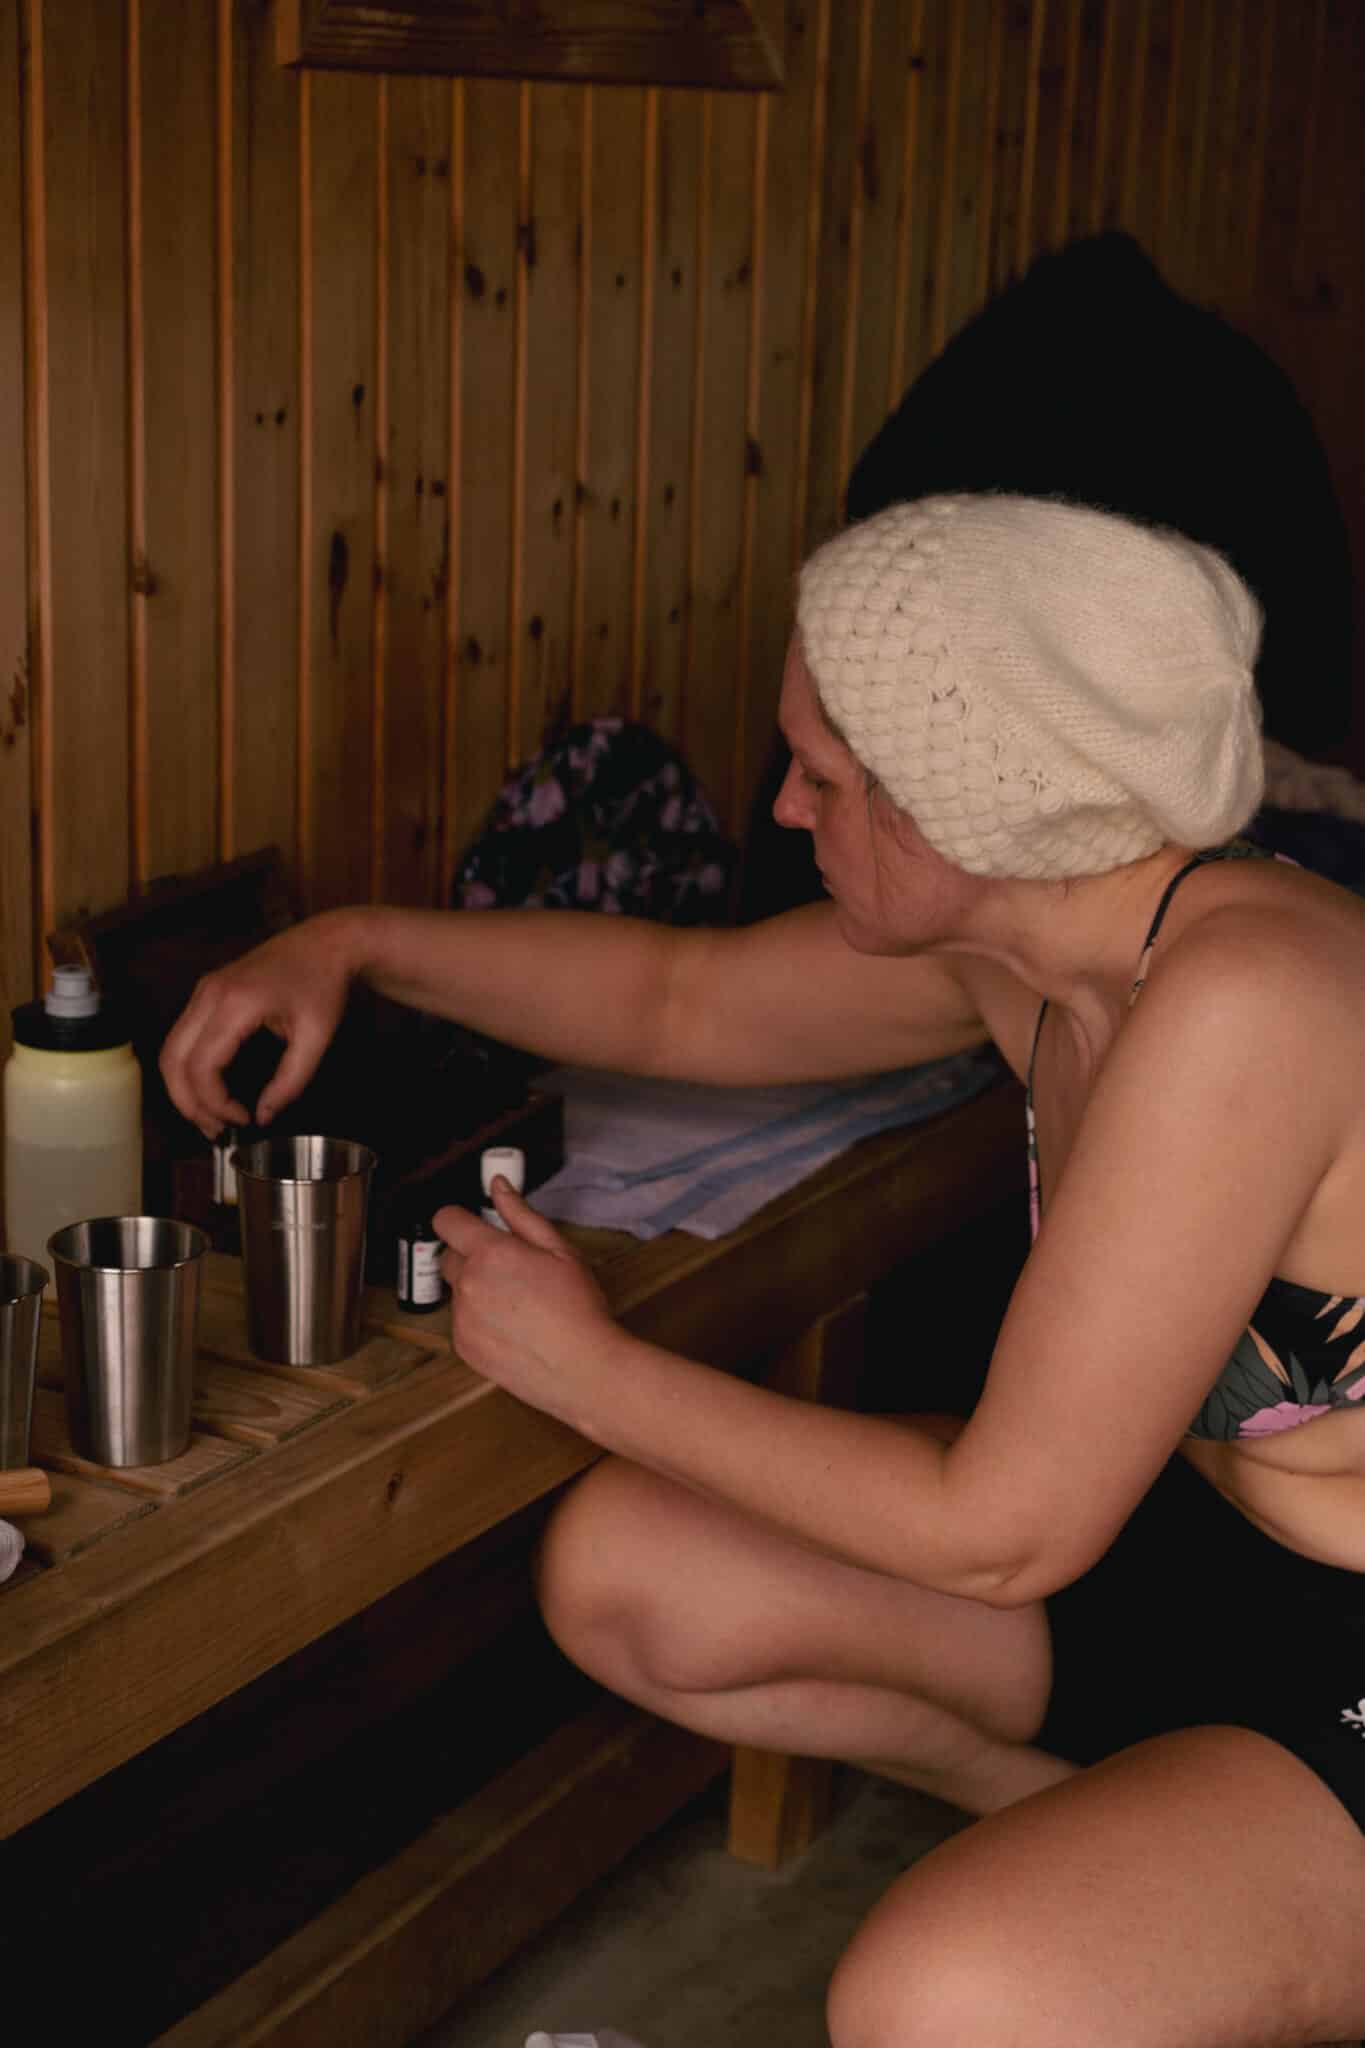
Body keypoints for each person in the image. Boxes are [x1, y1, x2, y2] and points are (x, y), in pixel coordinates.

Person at [161, 495, 1365, 2048]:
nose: (786, 810)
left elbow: (997, 1534)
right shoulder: (1040, 948)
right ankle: (1142, 1875)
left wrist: (587, 1369)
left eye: (823, 776)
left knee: (938, 2004)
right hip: (1187, 1558)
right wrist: (352, 945)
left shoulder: (1249, 998)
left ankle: (1194, 1930)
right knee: (631, 1573)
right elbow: (683, 1000)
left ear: (957, 806)